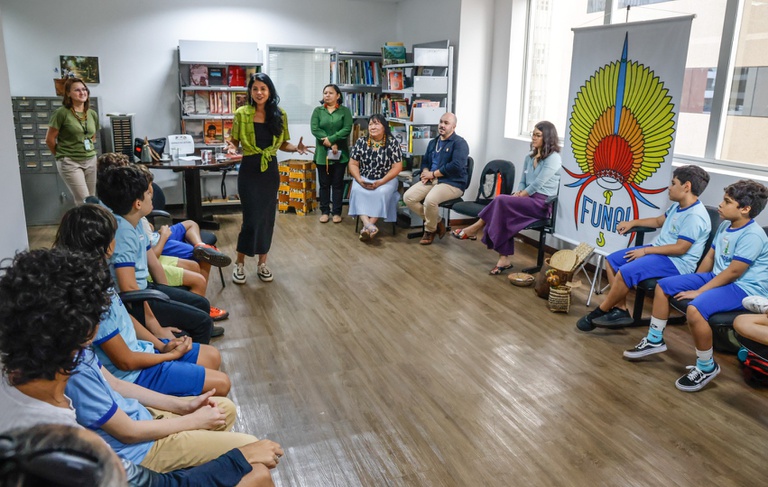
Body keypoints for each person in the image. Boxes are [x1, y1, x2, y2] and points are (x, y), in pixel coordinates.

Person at [0, 249, 282, 486]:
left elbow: (116, 385)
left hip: (133, 446)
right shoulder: (66, 446)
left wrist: (183, 408)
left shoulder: (54, 364)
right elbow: (162, 483)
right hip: (137, 455)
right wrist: (238, 458)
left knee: (229, 421)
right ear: (87, 330)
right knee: (256, 472)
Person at [54, 204, 231, 397]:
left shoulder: (96, 276)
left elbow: (126, 318)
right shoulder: (87, 296)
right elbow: (125, 361)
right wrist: (168, 355)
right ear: (108, 246)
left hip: (141, 351)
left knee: (212, 356)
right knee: (222, 383)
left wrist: (160, 344)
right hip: (133, 375)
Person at [623, 180, 768, 392]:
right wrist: (695, 281)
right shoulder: (727, 225)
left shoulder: (753, 235)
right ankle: (655, 340)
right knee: (664, 286)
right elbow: (710, 256)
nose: (720, 204)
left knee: (696, 308)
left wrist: (699, 292)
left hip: (746, 287)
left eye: (727, 202)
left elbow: (734, 272)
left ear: (745, 209)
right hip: (718, 277)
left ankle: (706, 366)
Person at [97, 152, 230, 321]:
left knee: (192, 231)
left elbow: (149, 258)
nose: (151, 197)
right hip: (154, 252)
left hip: (153, 246)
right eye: (148, 194)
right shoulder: (123, 228)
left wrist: (169, 298)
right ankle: (197, 314)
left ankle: (200, 248)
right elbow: (130, 285)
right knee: (198, 281)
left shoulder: (133, 220)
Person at [576, 165, 711, 330]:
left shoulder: (695, 216)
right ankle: (620, 309)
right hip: (659, 252)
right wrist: (632, 222)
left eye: (673, 183)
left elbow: (680, 248)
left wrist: (645, 251)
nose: (669, 187)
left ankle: (599, 311)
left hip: (677, 263)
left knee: (626, 271)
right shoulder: (679, 206)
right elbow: (658, 222)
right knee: (612, 260)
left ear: (686, 186)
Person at [227, 73, 311, 284]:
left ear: (270, 91)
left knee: (267, 219)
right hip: (249, 168)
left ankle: (262, 264)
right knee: (251, 218)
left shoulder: (279, 114)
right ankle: (239, 264)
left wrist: (296, 148)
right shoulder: (241, 113)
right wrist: (229, 146)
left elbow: (283, 144)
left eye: (263, 89)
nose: (259, 93)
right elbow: (234, 142)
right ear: (250, 92)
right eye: (255, 89)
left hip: (269, 170)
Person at [452, 121, 561, 274]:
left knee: (501, 200)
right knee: (503, 211)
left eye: (538, 135)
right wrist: (518, 193)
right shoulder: (529, 158)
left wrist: (520, 196)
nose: (533, 138)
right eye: (533, 135)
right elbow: (523, 181)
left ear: (548, 138)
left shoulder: (554, 158)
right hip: (526, 199)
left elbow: (538, 183)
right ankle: (504, 259)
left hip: (542, 203)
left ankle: (475, 227)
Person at [403, 112, 469, 245]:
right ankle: (437, 221)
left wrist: (432, 174)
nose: (442, 125)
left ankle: (430, 230)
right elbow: (425, 161)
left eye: (446, 123)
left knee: (430, 201)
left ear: (454, 127)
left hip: (453, 183)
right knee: (408, 197)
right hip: (432, 180)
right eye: (441, 122)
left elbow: (456, 166)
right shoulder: (434, 142)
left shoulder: (460, 143)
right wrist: (425, 171)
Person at [347, 113, 403, 241]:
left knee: (382, 192)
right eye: (370, 124)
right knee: (356, 190)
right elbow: (353, 163)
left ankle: (367, 226)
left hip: (386, 179)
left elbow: (397, 167)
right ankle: (369, 225)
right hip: (364, 178)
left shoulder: (392, 143)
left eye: (376, 123)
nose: (372, 127)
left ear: (384, 127)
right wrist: (359, 179)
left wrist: (381, 181)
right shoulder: (361, 142)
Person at [45, 77, 100, 204]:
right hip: (70, 162)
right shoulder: (61, 113)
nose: (82, 93)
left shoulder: (92, 113)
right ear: (68, 93)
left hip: (90, 159)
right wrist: (62, 156)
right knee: (84, 200)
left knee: (92, 198)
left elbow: (92, 136)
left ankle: (92, 224)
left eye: (84, 89)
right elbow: (49, 140)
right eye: (77, 90)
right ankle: (83, 224)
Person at [311, 84, 353, 224]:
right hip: (322, 155)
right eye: (325, 93)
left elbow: (347, 128)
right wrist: (329, 142)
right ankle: (324, 211)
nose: (327, 95)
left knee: (337, 184)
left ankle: (336, 212)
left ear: (338, 95)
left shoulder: (344, 111)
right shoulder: (318, 111)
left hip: (340, 155)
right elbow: (315, 129)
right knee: (324, 184)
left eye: (330, 93)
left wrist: (332, 139)